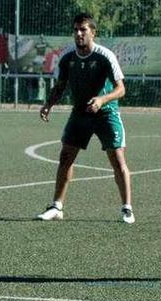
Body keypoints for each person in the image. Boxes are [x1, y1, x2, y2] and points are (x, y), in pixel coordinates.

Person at [37, 13, 134, 224]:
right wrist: (48, 105)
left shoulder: (104, 55)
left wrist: (101, 100)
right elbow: (60, 86)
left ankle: (127, 208)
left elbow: (121, 89)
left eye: (83, 30)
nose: (79, 34)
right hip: (80, 113)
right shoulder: (67, 57)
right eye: (76, 30)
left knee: (117, 160)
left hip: (106, 113)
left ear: (93, 33)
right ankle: (57, 207)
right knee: (65, 158)